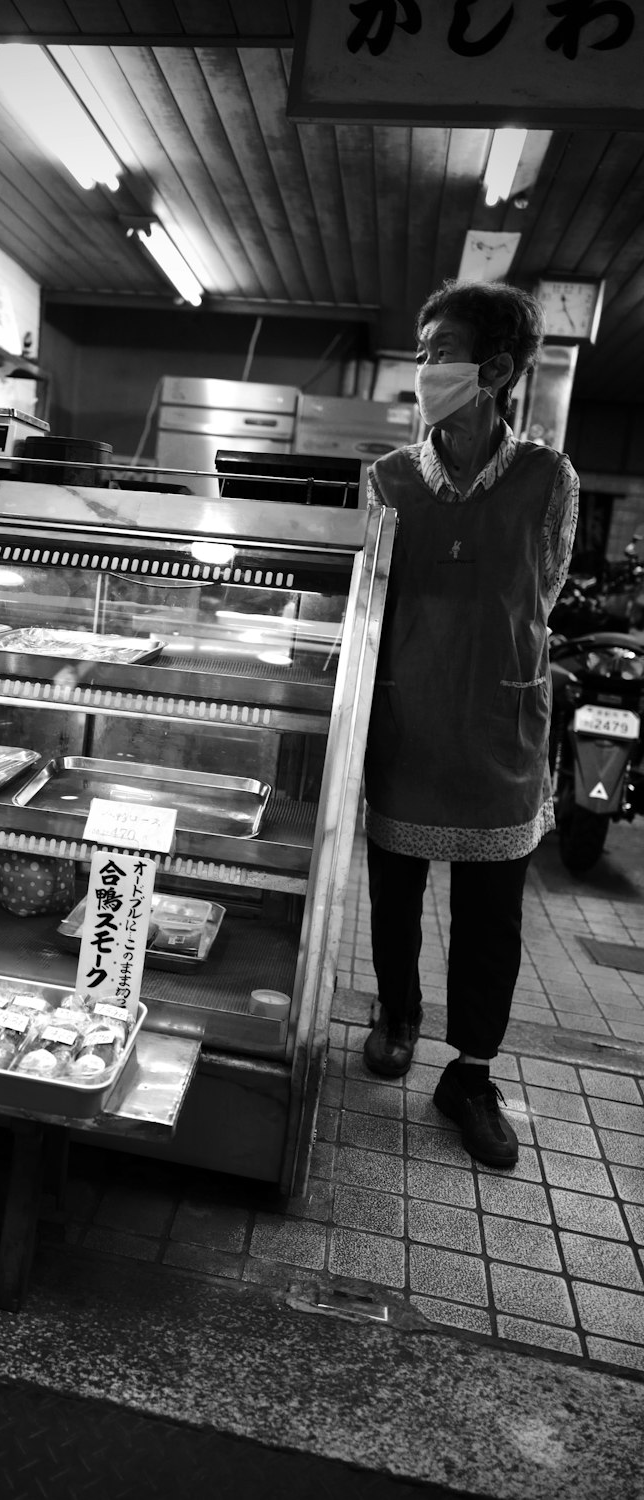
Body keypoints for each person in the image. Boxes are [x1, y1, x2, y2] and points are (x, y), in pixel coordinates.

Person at [362, 278, 579, 1171]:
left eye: (439, 351)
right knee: (394, 895)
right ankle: (398, 1012)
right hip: (406, 720)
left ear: (494, 369)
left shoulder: (545, 477)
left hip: (501, 726)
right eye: (419, 352)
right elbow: (372, 602)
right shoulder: (386, 479)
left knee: (492, 916)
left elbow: (545, 590)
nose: (424, 368)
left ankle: (472, 1073)